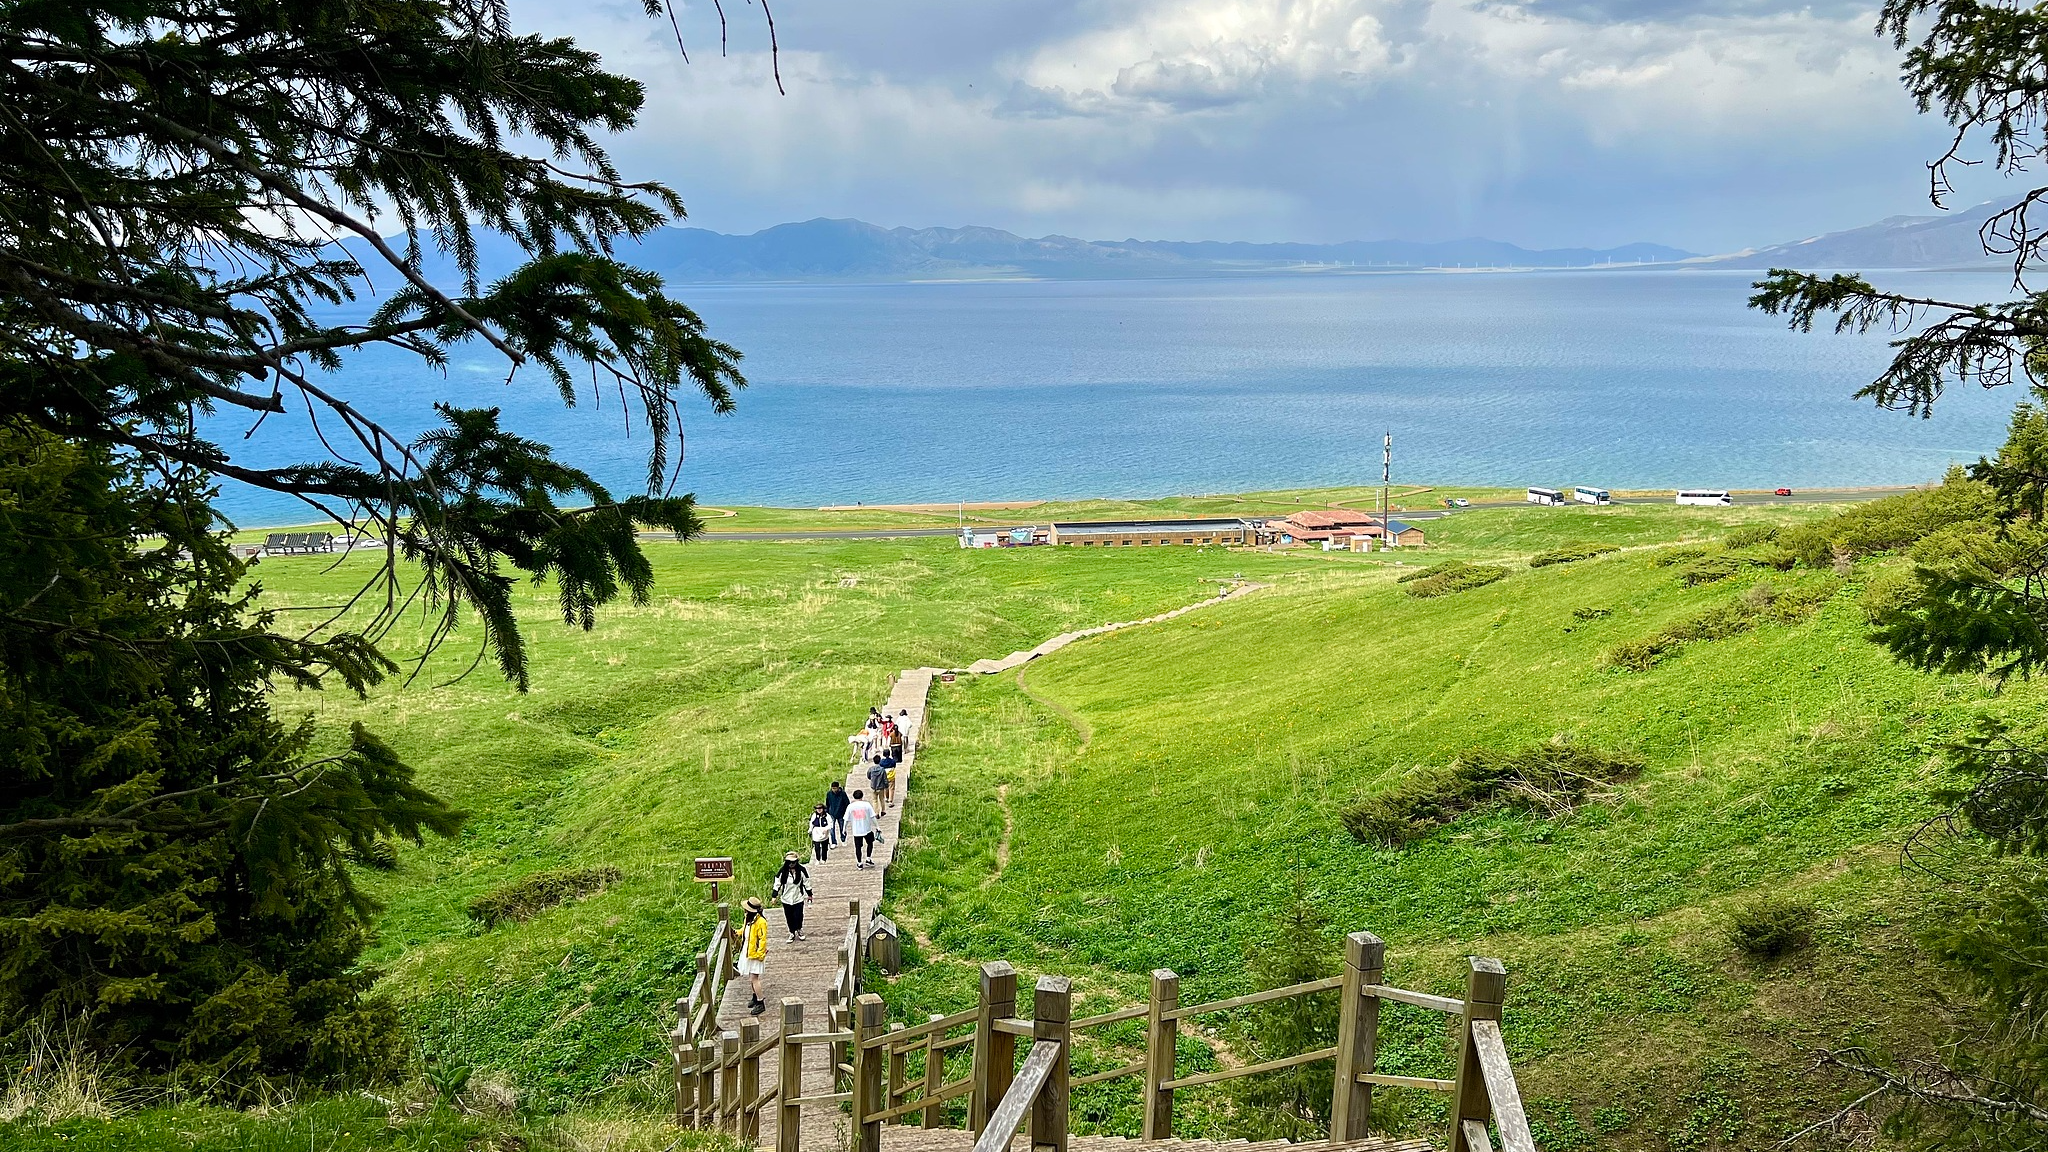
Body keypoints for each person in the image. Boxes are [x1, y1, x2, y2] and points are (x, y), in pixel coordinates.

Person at [737, 897, 769, 1014]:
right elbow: (744, 929)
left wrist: (760, 955)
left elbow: (762, 939)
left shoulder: (761, 922)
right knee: (751, 978)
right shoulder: (748, 918)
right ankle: (755, 997)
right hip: (747, 951)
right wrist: (737, 932)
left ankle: (761, 1002)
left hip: (755, 953)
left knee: (754, 978)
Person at [773, 852, 812, 943]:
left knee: (798, 915)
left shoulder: (802, 870)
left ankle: (799, 929)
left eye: (793, 862)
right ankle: (792, 932)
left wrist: (809, 894)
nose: (791, 864)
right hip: (786, 898)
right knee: (789, 916)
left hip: (798, 897)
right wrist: (774, 896)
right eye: (789, 862)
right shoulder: (782, 872)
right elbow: (777, 884)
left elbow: (807, 883)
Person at [847, 788, 878, 869]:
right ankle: (868, 858)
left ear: (853, 797)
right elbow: (872, 817)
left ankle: (859, 862)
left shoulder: (850, 806)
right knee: (870, 843)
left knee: (858, 847)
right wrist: (877, 826)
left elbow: (846, 819)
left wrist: (844, 829)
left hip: (856, 831)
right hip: (867, 829)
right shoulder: (867, 805)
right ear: (862, 796)